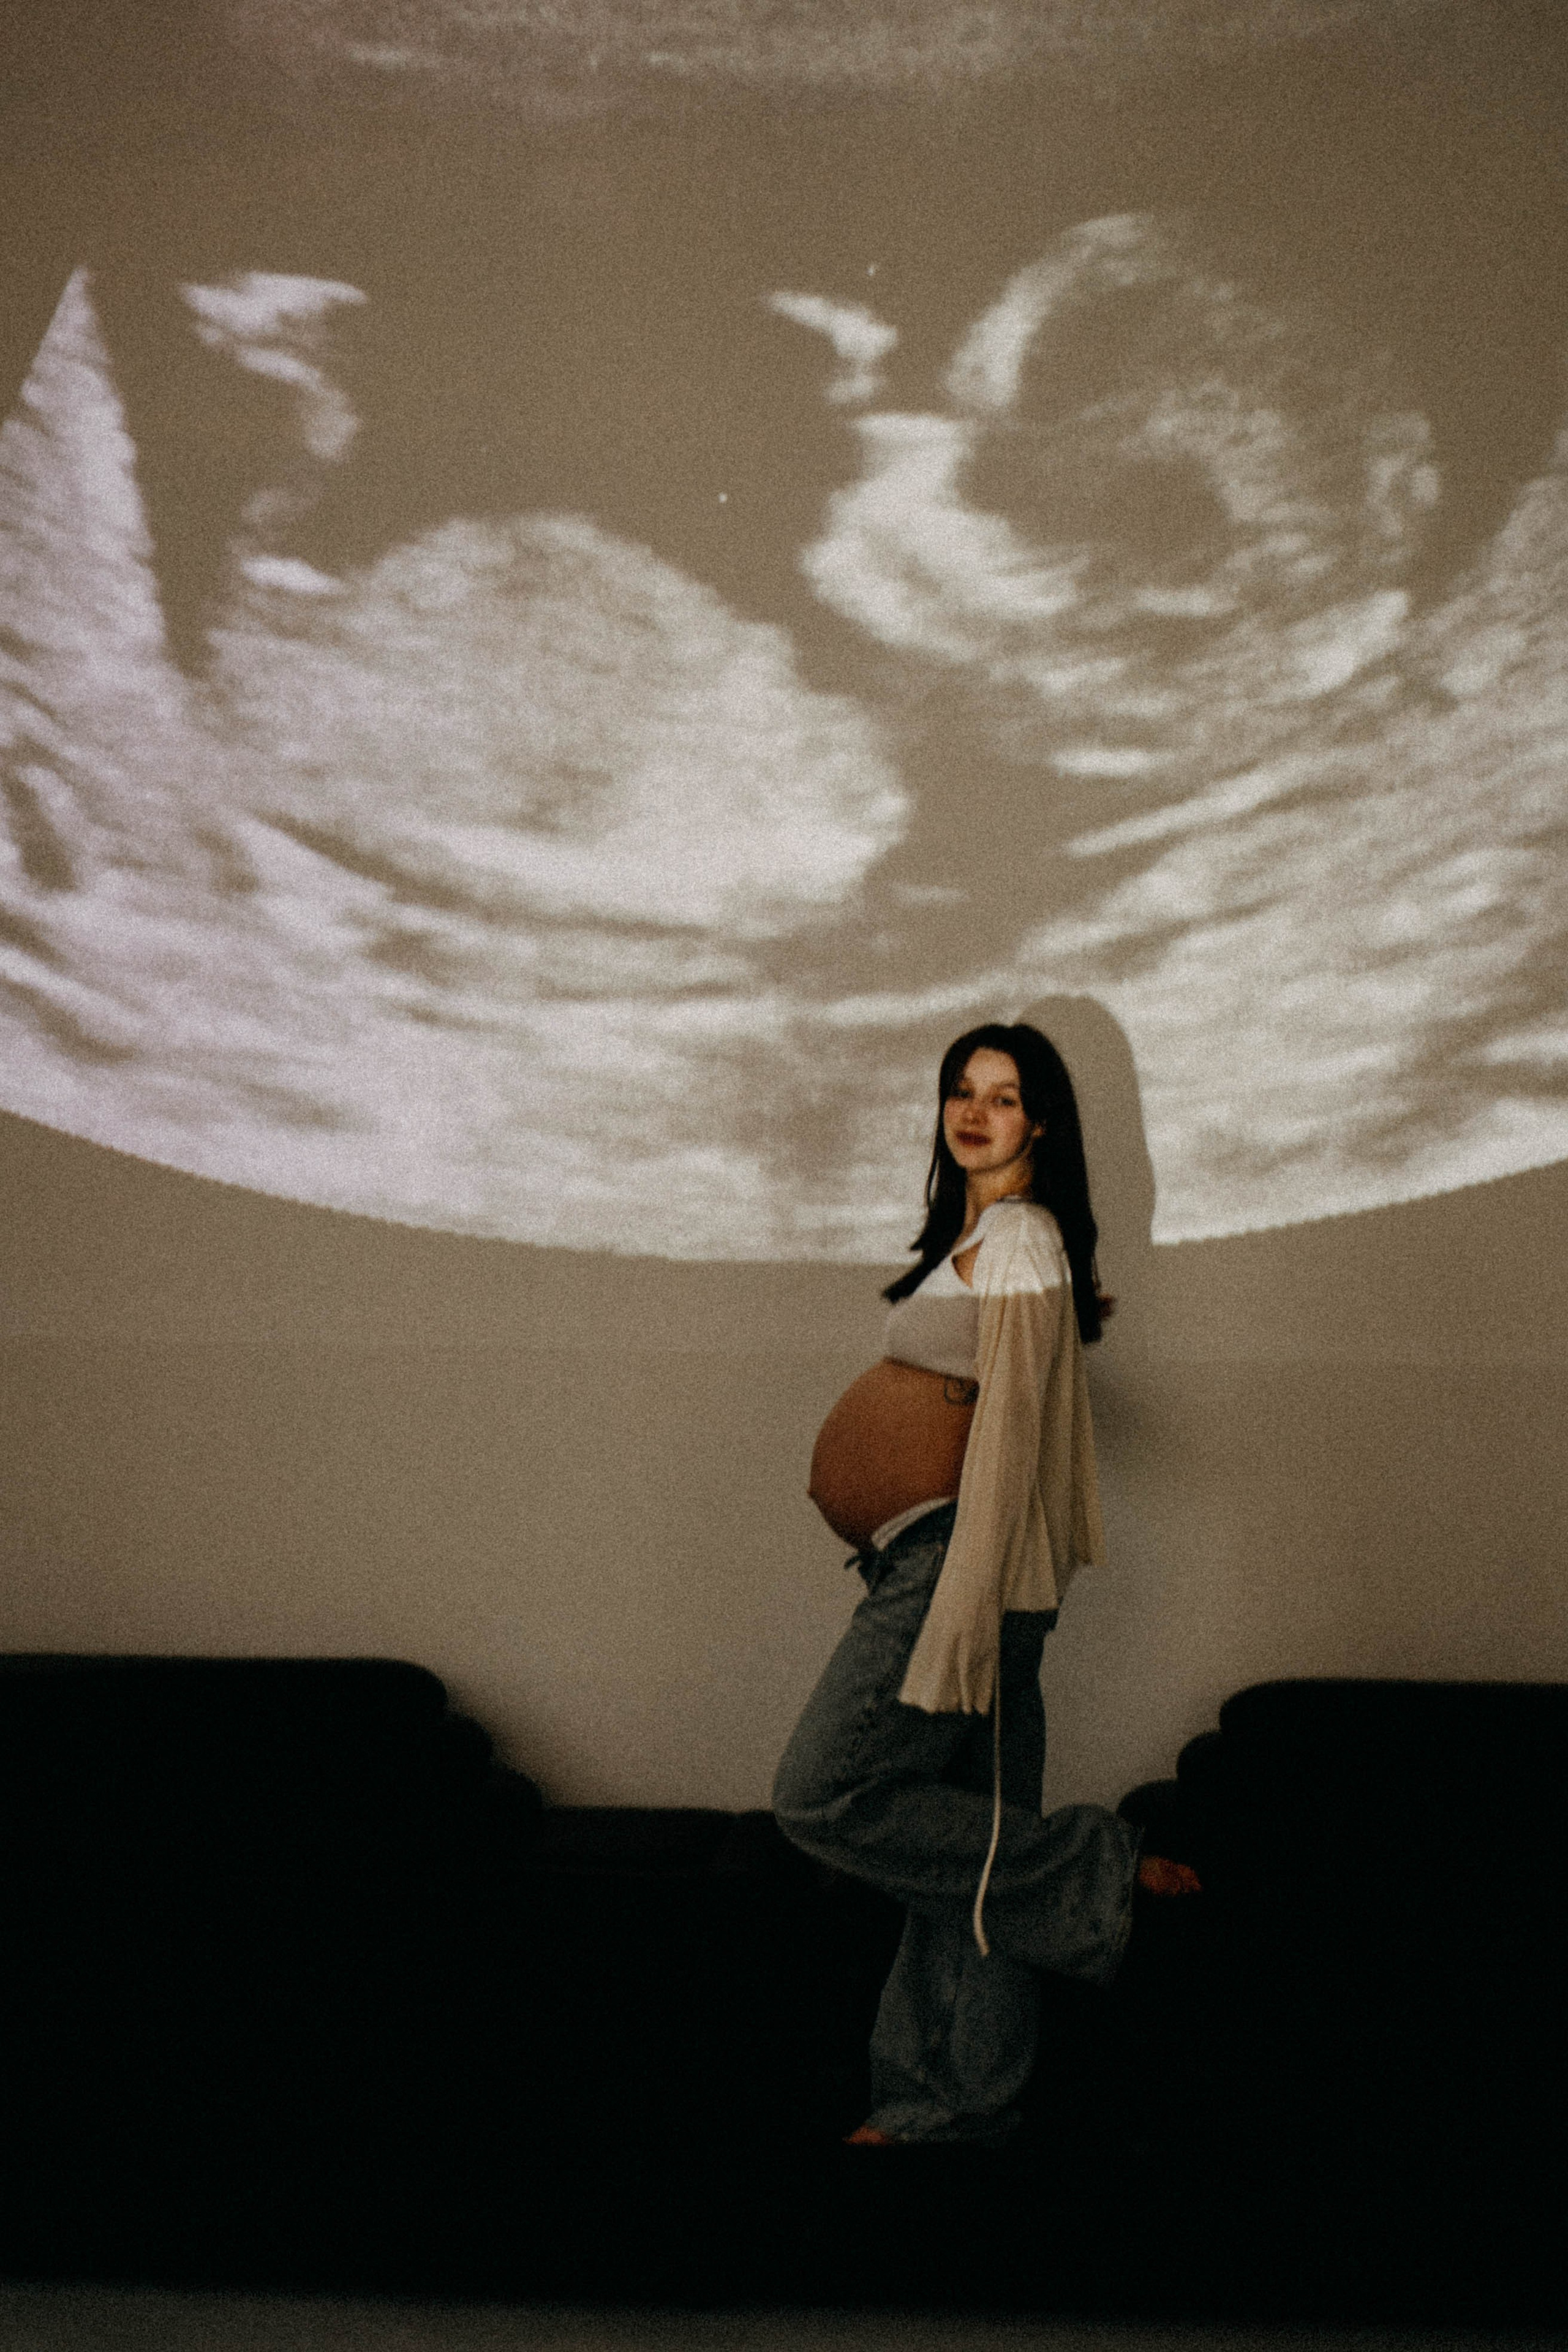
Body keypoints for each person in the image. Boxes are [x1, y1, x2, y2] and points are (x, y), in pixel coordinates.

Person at [772, 1019, 1199, 2149]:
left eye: (1004, 1097)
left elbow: (1007, 1433)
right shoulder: (997, 1239)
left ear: (1041, 1121)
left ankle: (1103, 1878)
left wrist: (967, 1595)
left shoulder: (1021, 1235)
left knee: (823, 1793)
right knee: (967, 1849)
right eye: (963, 1091)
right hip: (936, 1563)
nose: (975, 1111)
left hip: (961, 1568)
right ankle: (947, 2105)